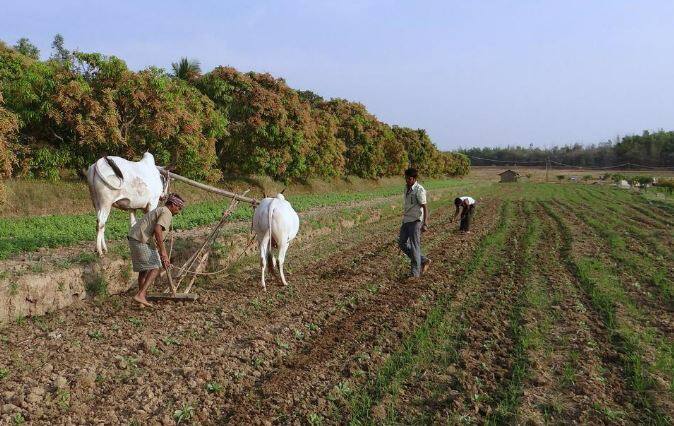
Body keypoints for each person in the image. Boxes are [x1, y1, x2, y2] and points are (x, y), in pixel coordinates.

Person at [127, 193, 184, 307]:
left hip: (135, 237)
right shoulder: (167, 212)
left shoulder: (161, 210)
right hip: (141, 239)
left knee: (144, 270)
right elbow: (158, 231)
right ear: (172, 205)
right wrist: (164, 253)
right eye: (179, 207)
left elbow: (155, 234)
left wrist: (160, 252)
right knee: (155, 268)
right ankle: (141, 294)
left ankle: (141, 300)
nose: (179, 210)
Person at [399, 168, 431, 278]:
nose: (407, 180)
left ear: (414, 179)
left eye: (409, 179)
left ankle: (415, 274)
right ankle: (422, 260)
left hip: (416, 221)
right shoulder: (406, 187)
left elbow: (425, 207)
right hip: (406, 220)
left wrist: (425, 223)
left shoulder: (419, 189)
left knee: (414, 246)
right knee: (401, 243)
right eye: (406, 178)